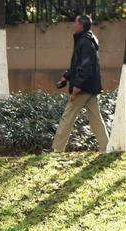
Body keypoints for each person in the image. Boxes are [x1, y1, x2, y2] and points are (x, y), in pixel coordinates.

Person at [52, 14, 109, 152]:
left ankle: (57, 150)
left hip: (83, 88)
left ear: (81, 25)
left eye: (75, 23)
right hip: (90, 86)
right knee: (96, 119)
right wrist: (66, 77)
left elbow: (86, 66)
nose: (73, 25)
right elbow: (79, 65)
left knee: (67, 117)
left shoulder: (84, 42)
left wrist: (77, 85)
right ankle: (107, 148)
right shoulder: (87, 40)